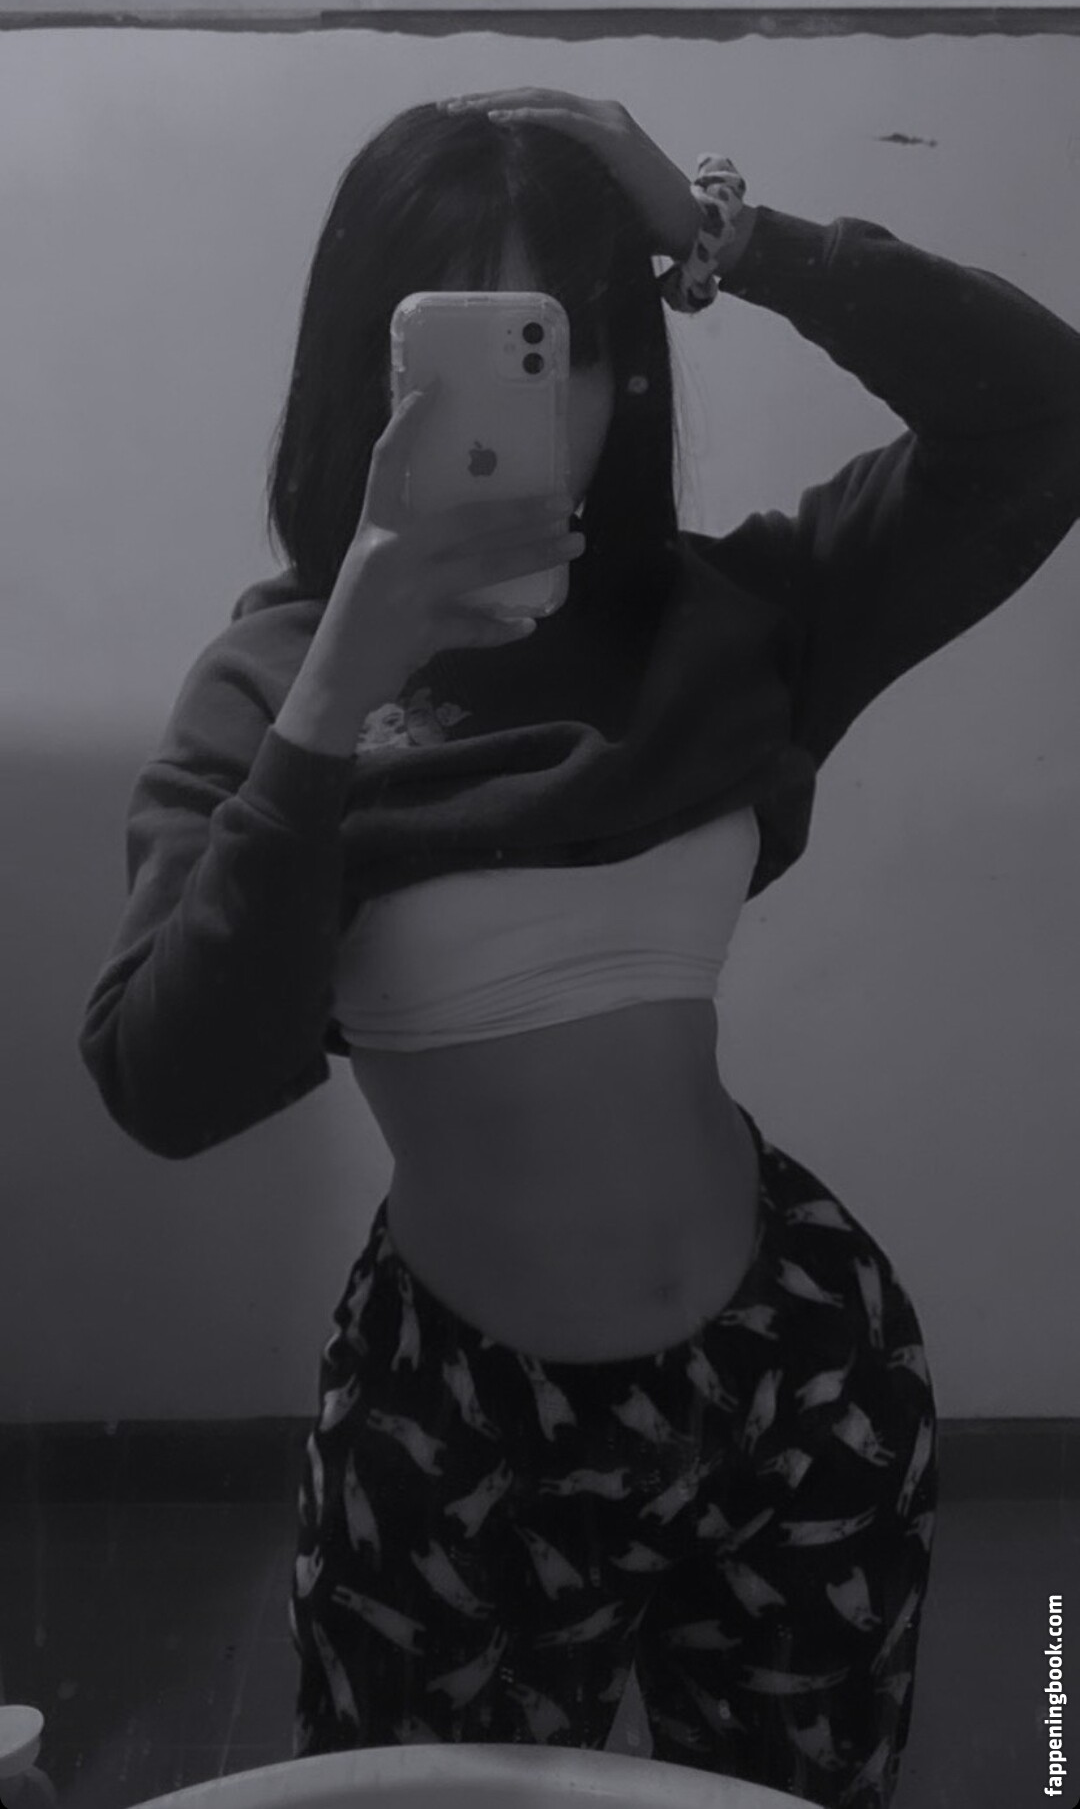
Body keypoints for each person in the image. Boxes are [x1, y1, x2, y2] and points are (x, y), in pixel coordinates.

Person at [78, 88, 1080, 1809]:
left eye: (576, 346)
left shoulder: (730, 621)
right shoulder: (268, 693)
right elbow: (168, 1083)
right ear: (361, 375)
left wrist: (734, 240)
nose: (550, 407)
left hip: (798, 1381)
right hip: (453, 1425)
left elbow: (1045, 414)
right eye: (459, 348)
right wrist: (341, 689)